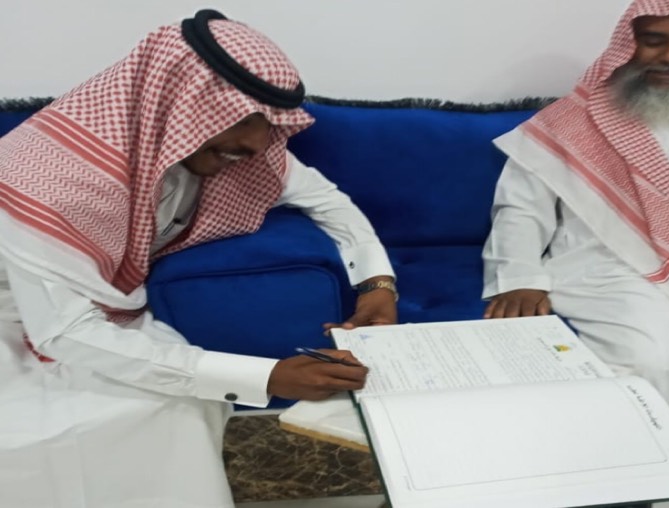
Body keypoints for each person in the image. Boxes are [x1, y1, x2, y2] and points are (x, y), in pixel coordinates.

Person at [0, 9, 397, 508]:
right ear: (178, 103)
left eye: (266, 123)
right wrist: (265, 376)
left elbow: (327, 200)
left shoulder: (217, 145)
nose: (257, 143)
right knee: (52, 437)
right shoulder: (46, 175)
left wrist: (376, 284)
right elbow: (63, 331)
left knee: (182, 410)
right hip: (21, 315)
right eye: (243, 119)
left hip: (104, 313)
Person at [483, 0, 669, 478]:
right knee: (653, 358)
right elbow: (521, 209)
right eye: (654, 40)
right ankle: (644, 474)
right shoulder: (575, 121)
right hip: (623, 270)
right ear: (628, 43)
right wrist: (520, 277)